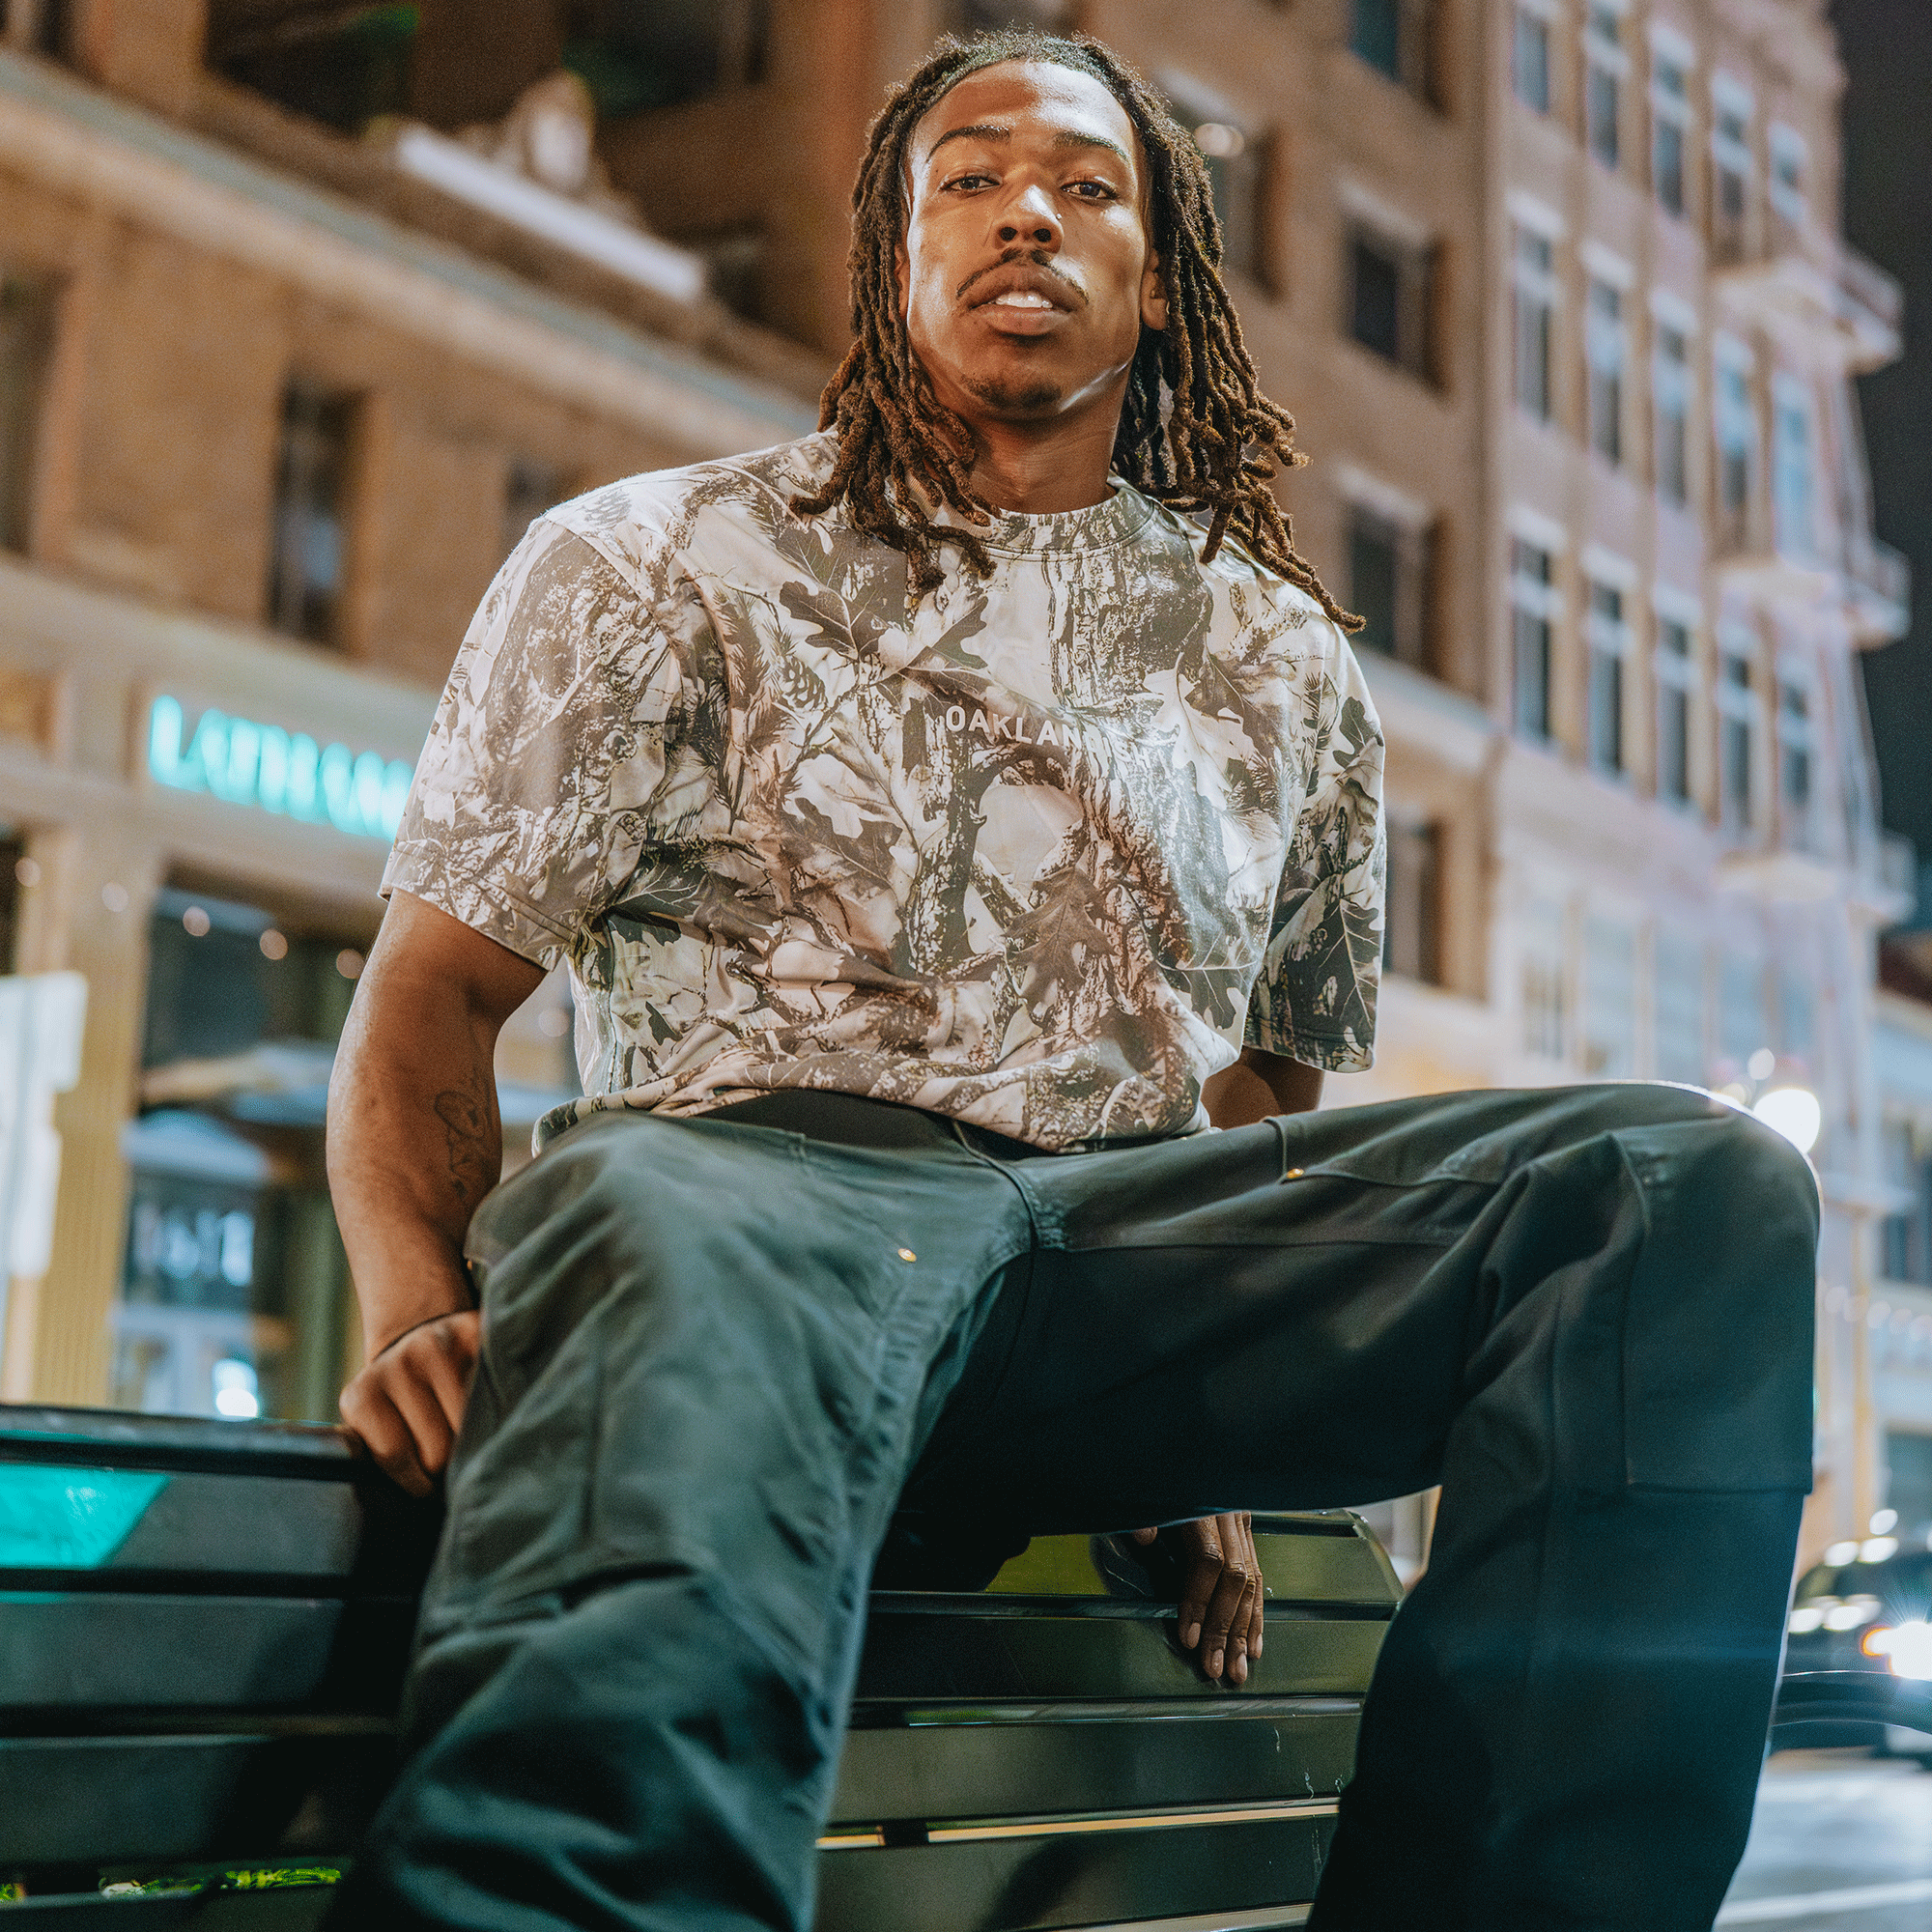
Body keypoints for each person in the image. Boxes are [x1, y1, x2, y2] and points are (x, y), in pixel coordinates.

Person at [324, 28, 1818, 1932]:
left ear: (1157, 267)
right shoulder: (644, 559)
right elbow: (431, 1002)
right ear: (891, 253)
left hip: (1098, 1250)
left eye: (1086, 184)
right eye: (965, 176)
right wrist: (404, 1310)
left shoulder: (1278, 659)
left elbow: (1270, 1104)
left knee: (1693, 1194)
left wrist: (1210, 1417)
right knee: (640, 1195)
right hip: (746, 1212)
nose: (1025, 207)